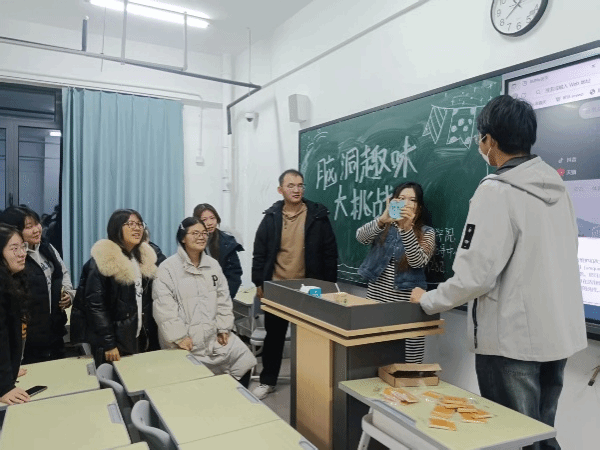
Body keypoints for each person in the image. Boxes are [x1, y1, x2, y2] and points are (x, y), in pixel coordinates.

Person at [410, 95, 587, 450]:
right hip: (557, 336)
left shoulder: (496, 191)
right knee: (541, 435)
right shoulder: (557, 188)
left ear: (489, 140)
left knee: (512, 439)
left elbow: (475, 275)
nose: (481, 146)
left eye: (481, 138)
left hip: (512, 342)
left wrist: (428, 300)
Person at [251, 169, 338, 399]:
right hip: (278, 286)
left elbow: (330, 253)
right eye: (291, 186)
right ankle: (267, 381)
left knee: (312, 336)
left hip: (309, 288)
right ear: (280, 190)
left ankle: (312, 383)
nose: (296, 189)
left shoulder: (317, 216)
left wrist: (328, 286)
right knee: (274, 337)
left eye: (300, 185)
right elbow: (259, 253)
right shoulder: (271, 217)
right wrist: (259, 282)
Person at [152, 217, 256, 387]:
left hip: (213, 337)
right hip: (185, 342)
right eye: (195, 233)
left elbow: (223, 299)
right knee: (194, 385)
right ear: (183, 238)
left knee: (244, 361)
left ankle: (234, 400)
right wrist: (179, 337)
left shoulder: (213, 265)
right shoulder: (167, 269)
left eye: (204, 233)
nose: (201, 237)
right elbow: (164, 308)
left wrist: (224, 327)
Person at [356, 182, 435, 363]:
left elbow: (418, 261)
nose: (406, 203)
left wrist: (406, 229)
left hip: (407, 305)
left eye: (412, 200)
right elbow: (360, 237)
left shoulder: (427, 233)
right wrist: (382, 219)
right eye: (401, 198)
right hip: (377, 299)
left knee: (409, 359)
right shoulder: (384, 226)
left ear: (419, 207)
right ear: (393, 201)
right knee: (376, 354)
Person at [83, 209, 159, 366]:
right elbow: (95, 306)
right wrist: (108, 343)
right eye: (130, 224)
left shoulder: (141, 259)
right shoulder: (103, 261)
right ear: (116, 228)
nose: (137, 228)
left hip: (137, 335)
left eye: (139, 224)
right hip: (113, 342)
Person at [0, 206, 75, 364]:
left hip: (54, 331)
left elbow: (63, 272)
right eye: (29, 227)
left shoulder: (47, 248)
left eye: (37, 224)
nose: (36, 230)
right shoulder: (13, 261)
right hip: (29, 340)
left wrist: (69, 293)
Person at [0, 224, 31, 405]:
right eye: (14, 249)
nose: (22, 253)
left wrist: (11, 367)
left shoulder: (11, 279)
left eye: (22, 247)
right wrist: (3, 386)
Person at [193, 203, 244, 299]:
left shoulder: (227, 242)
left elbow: (234, 275)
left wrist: (224, 298)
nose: (209, 223)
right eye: (204, 220)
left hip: (221, 296)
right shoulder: (190, 243)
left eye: (212, 218)